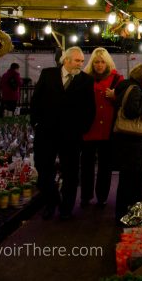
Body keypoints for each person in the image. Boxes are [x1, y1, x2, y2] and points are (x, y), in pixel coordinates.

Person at [30, 47, 95, 221]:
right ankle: (51, 201)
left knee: (71, 173)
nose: (80, 64)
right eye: (77, 61)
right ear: (65, 60)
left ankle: (66, 208)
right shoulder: (48, 74)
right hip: (46, 132)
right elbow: (36, 100)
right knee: (43, 170)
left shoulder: (86, 81)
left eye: (82, 61)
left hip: (71, 136)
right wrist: (35, 122)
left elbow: (90, 109)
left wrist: (82, 130)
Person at [112, 64, 142, 223]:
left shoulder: (125, 87)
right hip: (132, 142)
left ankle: (126, 211)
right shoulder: (135, 90)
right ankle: (127, 213)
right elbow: (133, 112)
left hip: (126, 141)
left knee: (128, 179)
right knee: (131, 179)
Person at [80, 47, 123, 208]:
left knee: (105, 165)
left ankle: (102, 196)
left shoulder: (117, 78)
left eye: (102, 62)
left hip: (108, 129)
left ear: (107, 62)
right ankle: (85, 195)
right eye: (96, 62)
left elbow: (123, 100)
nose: (99, 65)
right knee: (86, 165)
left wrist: (115, 96)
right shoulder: (84, 78)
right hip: (89, 127)